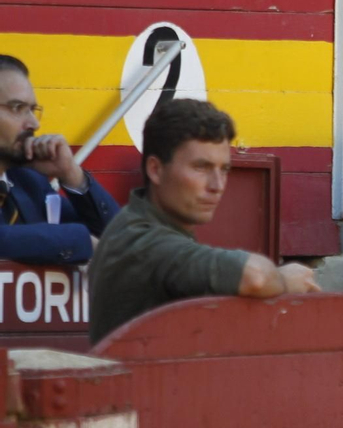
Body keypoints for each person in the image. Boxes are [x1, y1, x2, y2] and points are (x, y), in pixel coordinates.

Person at [87, 98, 321, 345]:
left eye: (224, 169)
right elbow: (255, 278)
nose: (217, 185)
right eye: (201, 167)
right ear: (155, 169)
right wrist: (284, 280)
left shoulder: (138, 224)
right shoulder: (143, 240)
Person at [0, 55, 120, 266]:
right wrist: (79, 240)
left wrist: (71, 174)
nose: (34, 124)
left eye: (32, 110)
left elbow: (121, 239)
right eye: (17, 108)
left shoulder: (28, 182)